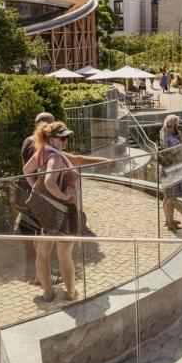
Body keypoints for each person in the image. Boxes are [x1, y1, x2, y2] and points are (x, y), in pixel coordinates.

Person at [23, 121, 110, 302]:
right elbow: (49, 182)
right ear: (51, 139)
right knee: (65, 254)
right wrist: (63, 196)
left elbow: (26, 170)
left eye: (66, 138)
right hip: (64, 212)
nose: (65, 141)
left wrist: (38, 193)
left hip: (48, 212)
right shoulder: (55, 158)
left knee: (43, 253)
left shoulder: (44, 152)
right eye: (62, 138)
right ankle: (70, 293)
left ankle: (48, 293)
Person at [158, 115, 182, 230]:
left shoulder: (163, 132)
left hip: (166, 169)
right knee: (171, 199)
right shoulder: (172, 139)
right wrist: (180, 137)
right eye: (177, 125)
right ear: (175, 125)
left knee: (167, 197)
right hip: (172, 172)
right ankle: (170, 224)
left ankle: (168, 220)